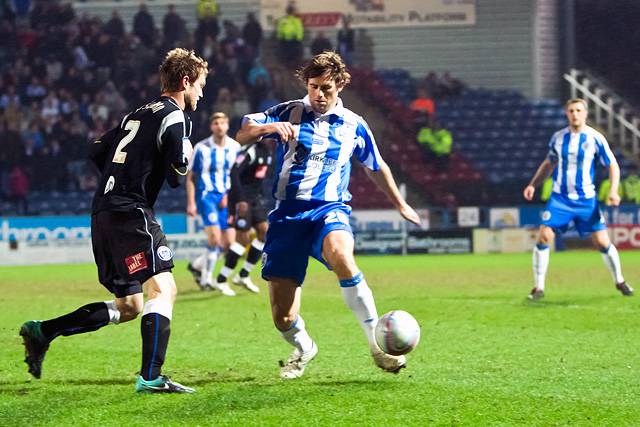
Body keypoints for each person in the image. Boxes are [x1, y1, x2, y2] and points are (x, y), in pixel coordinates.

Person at [19, 48, 209, 393]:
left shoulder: (135, 114)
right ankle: (151, 377)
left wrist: (118, 178)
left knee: (129, 305)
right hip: (130, 211)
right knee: (163, 288)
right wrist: (183, 158)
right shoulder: (175, 117)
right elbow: (177, 173)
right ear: (185, 81)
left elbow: (95, 149)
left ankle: (42, 331)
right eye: (200, 85)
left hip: (103, 211)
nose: (201, 93)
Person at [236, 52, 421, 379]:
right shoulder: (289, 111)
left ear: (340, 86)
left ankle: (377, 346)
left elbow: (376, 167)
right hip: (286, 217)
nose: (319, 95)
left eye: (326, 88)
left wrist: (400, 204)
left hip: (329, 210)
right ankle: (305, 347)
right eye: (313, 87)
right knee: (282, 317)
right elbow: (244, 133)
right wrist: (268, 126)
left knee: (342, 256)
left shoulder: (354, 125)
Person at [523, 98, 633, 300]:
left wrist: (614, 190)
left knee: (601, 241)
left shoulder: (595, 138)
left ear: (585, 113)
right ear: (566, 113)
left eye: (578, 110)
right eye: (571, 110)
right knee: (544, 236)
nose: (575, 114)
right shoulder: (558, 138)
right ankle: (538, 288)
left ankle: (620, 281)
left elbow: (612, 165)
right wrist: (532, 184)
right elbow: (549, 163)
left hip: (586, 200)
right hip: (560, 199)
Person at [186, 112, 240, 295]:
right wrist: (191, 203)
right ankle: (206, 279)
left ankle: (196, 266)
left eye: (222, 123)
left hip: (225, 198)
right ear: (212, 127)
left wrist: (230, 196)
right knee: (214, 238)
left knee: (228, 243)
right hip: (206, 196)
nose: (219, 126)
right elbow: (191, 177)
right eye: (216, 123)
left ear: (227, 125)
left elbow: (235, 176)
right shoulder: (201, 148)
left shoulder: (235, 147)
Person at [212, 138, 275, 293]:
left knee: (264, 234)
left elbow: (259, 177)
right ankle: (221, 279)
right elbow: (233, 172)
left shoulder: (269, 153)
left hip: (255, 200)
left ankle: (243, 274)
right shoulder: (250, 150)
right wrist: (240, 200)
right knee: (242, 240)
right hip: (241, 200)